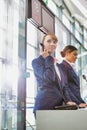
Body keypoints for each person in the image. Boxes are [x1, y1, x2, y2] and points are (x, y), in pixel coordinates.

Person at [32, 34, 76, 118]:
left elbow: (64, 86)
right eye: (48, 41)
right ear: (42, 44)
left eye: (54, 42)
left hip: (59, 107)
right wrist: (48, 58)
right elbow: (49, 78)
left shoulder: (58, 65)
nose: (52, 44)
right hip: (45, 107)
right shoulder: (37, 62)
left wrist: (68, 100)